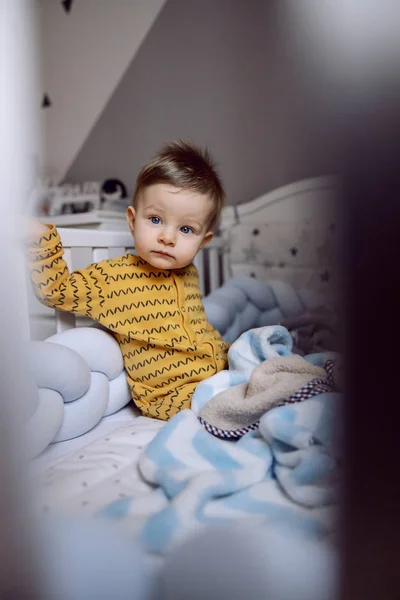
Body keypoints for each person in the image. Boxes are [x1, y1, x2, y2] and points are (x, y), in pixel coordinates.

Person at [27, 140, 230, 420]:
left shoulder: (188, 272)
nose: (167, 237)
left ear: (203, 241)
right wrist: (42, 243)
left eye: (185, 229)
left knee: (268, 358)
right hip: (172, 394)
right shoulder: (114, 278)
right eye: (156, 220)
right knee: (244, 404)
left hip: (219, 367)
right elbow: (56, 291)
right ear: (133, 221)